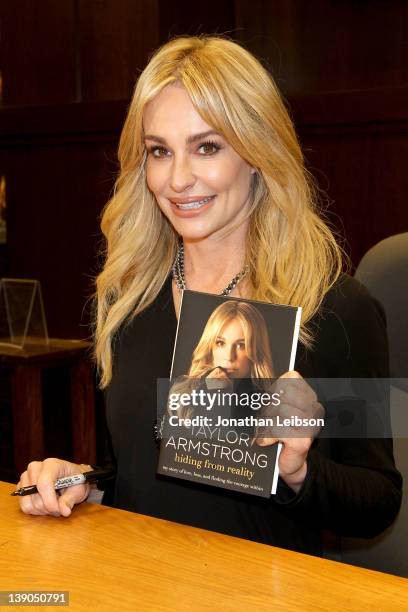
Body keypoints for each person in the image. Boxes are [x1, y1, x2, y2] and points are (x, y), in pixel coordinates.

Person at [16, 35, 402, 556]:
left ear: (258, 153)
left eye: (207, 147)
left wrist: (296, 471)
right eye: (159, 151)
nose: (177, 179)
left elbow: (378, 501)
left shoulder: (334, 310)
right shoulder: (127, 302)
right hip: (143, 582)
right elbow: (142, 476)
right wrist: (81, 482)